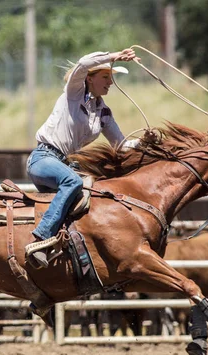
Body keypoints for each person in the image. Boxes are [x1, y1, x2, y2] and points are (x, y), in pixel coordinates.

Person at [25, 48, 156, 268]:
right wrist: (113, 56)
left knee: (98, 192)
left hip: (63, 163)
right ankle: (41, 237)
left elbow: (121, 146)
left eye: (111, 77)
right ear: (90, 78)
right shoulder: (73, 93)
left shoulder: (103, 112)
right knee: (72, 182)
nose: (110, 83)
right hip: (43, 158)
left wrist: (144, 143)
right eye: (106, 77)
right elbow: (84, 62)